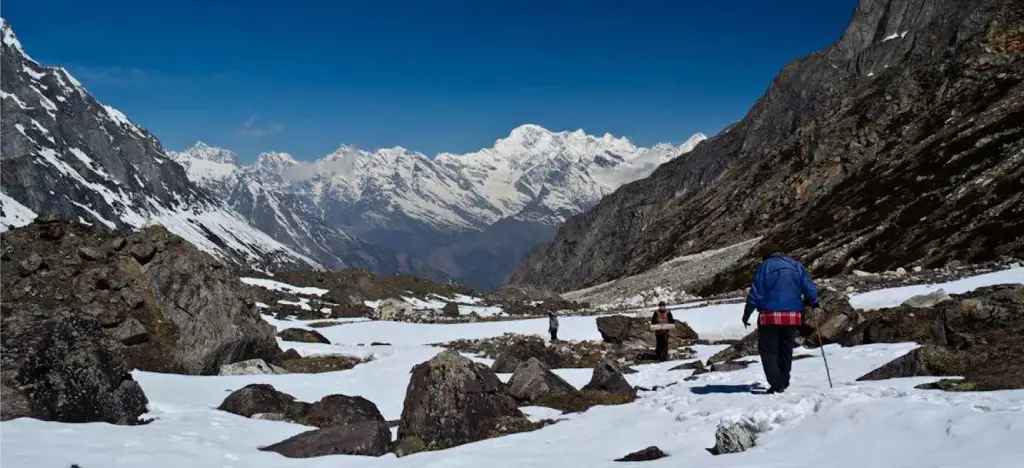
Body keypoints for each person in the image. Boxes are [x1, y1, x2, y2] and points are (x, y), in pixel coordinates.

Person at [742, 242, 819, 394]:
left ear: (766, 255)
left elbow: (756, 294)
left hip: (769, 316)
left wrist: (747, 314)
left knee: (768, 350)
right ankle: (784, 380)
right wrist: (814, 301)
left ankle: (777, 384)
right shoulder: (795, 265)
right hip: (792, 315)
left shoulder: (764, 267)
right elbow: (809, 287)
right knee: (785, 349)